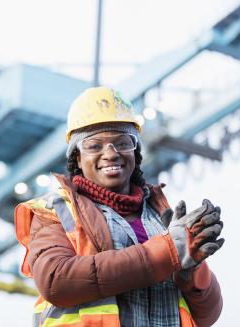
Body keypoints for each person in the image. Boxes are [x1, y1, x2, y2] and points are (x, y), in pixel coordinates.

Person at [15, 86, 224, 327]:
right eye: (94, 146)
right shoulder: (56, 210)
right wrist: (166, 252)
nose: (111, 154)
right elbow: (56, 280)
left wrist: (192, 272)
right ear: (77, 159)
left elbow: (207, 316)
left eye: (123, 143)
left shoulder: (160, 218)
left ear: (135, 152)